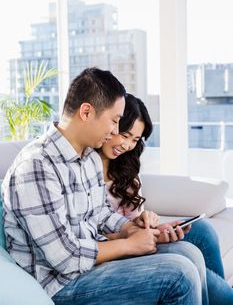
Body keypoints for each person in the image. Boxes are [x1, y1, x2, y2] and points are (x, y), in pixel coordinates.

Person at [1, 67, 205, 305]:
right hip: (59, 285)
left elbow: (100, 213)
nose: (116, 132)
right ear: (86, 111)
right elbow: (64, 257)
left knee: (188, 253)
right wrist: (128, 245)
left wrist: (131, 228)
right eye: (115, 121)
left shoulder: (88, 157)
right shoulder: (36, 166)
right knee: (179, 275)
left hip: (87, 268)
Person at [98, 92, 233, 305]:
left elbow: (134, 220)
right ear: (110, 126)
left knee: (202, 231)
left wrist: (148, 223)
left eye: (134, 140)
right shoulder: (85, 168)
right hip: (113, 247)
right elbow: (93, 234)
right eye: (124, 135)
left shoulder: (126, 169)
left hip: (133, 237)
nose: (127, 146)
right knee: (187, 262)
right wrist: (136, 236)